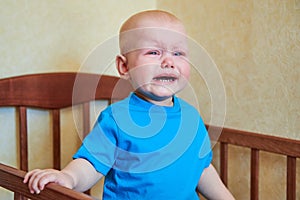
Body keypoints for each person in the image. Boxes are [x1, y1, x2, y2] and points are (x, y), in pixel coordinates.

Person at [24, 10, 234, 200]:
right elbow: (91, 164)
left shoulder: (191, 118)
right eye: (154, 52)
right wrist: (68, 177)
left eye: (178, 54)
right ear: (124, 66)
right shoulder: (117, 118)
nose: (168, 62)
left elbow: (202, 170)